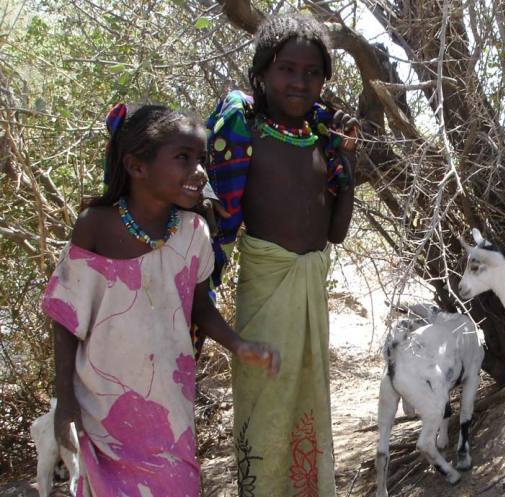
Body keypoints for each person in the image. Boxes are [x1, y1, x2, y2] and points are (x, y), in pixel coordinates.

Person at [43, 104, 280, 497]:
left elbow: (199, 308)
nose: (200, 171)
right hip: (102, 411)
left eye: (201, 159)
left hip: (169, 408)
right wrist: (65, 404)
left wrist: (239, 345)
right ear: (137, 166)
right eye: (183, 159)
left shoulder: (194, 232)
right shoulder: (95, 228)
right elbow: (66, 319)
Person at [204, 13, 359, 497]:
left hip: (311, 290)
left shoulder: (322, 143)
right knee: (265, 400)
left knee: (307, 404)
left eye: (312, 72)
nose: (299, 81)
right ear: (262, 74)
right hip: (267, 292)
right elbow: (215, 225)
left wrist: (348, 163)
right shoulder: (245, 130)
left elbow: (335, 233)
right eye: (287, 69)